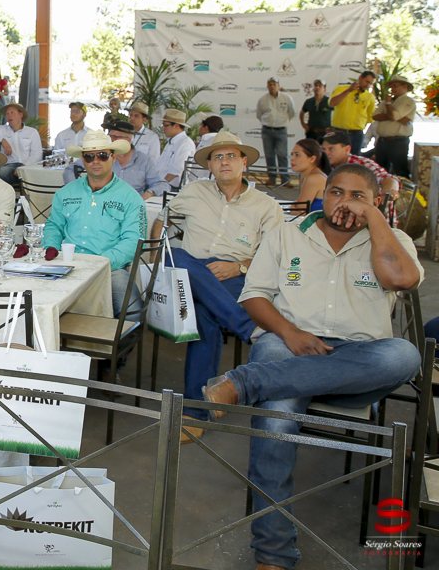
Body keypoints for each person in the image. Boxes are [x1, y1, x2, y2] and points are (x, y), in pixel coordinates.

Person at [202, 164, 422, 570]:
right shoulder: (289, 233)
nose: (344, 202)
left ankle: (244, 383)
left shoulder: (392, 239)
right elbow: (254, 296)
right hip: (289, 347)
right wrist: (289, 333)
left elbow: (402, 279)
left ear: (375, 201)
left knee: (404, 355)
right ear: (325, 195)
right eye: (337, 192)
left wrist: (374, 221)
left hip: (359, 361)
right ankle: (274, 553)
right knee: (277, 416)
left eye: (358, 195)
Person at [149, 132, 283, 439]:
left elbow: (276, 254)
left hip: (237, 279)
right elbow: (165, 217)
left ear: (244, 162)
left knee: (203, 316)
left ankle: (194, 414)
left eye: (231, 156)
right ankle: (248, 328)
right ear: (209, 165)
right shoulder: (194, 191)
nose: (225, 162)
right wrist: (158, 246)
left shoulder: (265, 206)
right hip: (191, 273)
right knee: (179, 255)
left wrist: (239, 265)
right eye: (218, 157)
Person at [43, 130, 147, 317]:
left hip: (110, 267)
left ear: (113, 157)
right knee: (32, 300)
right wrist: (51, 250)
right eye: (89, 156)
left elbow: (133, 241)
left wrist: (101, 263)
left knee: (132, 311)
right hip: (66, 262)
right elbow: (54, 226)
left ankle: (117, 346)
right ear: (83, 159)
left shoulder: (131, 197)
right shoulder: (65, 192)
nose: (96, 161)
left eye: (102, 155)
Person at [62, 120, 170, 200]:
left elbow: (163, 185)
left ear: (128, 140)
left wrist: (148, 194)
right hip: (102, 204)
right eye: (110, 136)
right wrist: (79, 190)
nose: (112, 140)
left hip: (132, 205)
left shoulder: (143, 160)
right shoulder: (102, 156)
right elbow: (69, 170)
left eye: (116, 137)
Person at [319, 130, 400, 223]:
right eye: (323, 149)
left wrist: (390, 190)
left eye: (331, 149)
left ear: (347, 149)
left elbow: (388, 178)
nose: (326, 153)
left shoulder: (362, 164)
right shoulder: (330, 168)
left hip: (374, 223)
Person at [371, 73, 416, 177]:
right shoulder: (387, 101)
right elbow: (375, 116)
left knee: (401, 170)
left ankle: (405, 192)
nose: (392, 89)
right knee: (380, 171)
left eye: (395, 86)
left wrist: (388, 106)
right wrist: (397, 117)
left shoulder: (408, 101)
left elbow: (394, 116)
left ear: (405, 87)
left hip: (398, 142)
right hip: (382, 141)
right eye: (391, 86)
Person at [0, 101, 43, 184]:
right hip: (9, 166)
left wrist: (24, 167)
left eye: (12, 112)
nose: (9, 115)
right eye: (7, 113)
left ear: (21, 115)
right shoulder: (1, 130)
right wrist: (1, 140)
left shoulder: (32, 132)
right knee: (3, 172)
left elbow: (37, 154)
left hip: (28, 166)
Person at [256, 77, 295, 186]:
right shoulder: (263, 99)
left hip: (281, 130)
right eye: (270, 84)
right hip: (267, 130)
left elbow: (292, 113)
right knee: (269, 155)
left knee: (282, 155)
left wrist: (282, 122)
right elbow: (259, 115)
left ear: (278, 85)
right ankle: (272, 178)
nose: (272, 86)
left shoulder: (286, 98)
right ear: (267, 86)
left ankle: (285, 180)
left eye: (274, 84)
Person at [328, 69, 376, 153]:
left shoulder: (369, 97)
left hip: (357, 134)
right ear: (360, 78)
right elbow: (332, 103)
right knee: (335, 159)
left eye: (371, 83)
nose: (368, 85)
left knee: (354, 161)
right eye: (367, 81)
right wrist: (348, 90)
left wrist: (358, 124)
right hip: (339, 133)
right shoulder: (341, 88)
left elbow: (370, 117)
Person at [153, 109, 194, 187]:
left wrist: (160, 186)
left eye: (165, 125)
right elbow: (159, 165)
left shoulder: (186, 143)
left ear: (176, 126)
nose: (162, 128)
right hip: (163, 184)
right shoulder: (170, 142)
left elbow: (176, 170)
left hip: (173, 188)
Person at [289, 138, 330, 213]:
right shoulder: (310, 176)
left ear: (312, 159)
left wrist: (293, 209)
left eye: (297, 155)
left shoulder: (313, 179)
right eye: (292, 154)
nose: (292, 159)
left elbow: (299, 213)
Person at [299, 78, 332, 143]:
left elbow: (338, 113)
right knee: (310, 152)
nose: (317, 87)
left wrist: (333, 127)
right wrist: (303, 124)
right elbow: (302, 113)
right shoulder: (309, 101)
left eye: (320, 86)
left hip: (325, 133)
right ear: (313, 89)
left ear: (324, 89)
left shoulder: (329, 101)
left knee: (325, 152)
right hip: (311, 133)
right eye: (315, 86)